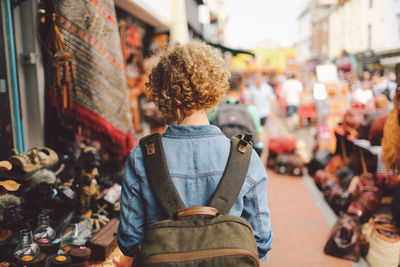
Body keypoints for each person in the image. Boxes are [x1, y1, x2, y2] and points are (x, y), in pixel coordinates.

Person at [117, 41, 273, 262]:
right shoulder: (245, 157)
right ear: (216, 87)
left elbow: (129, 241)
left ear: (160, 91)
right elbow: (262, 241)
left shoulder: (142, 157)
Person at [209, 71, 264, 155]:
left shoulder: (213, 110)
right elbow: (258, 141)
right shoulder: (251, 110)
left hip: (218, 159)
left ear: (224, 86)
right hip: (244, 162)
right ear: (242, 87)